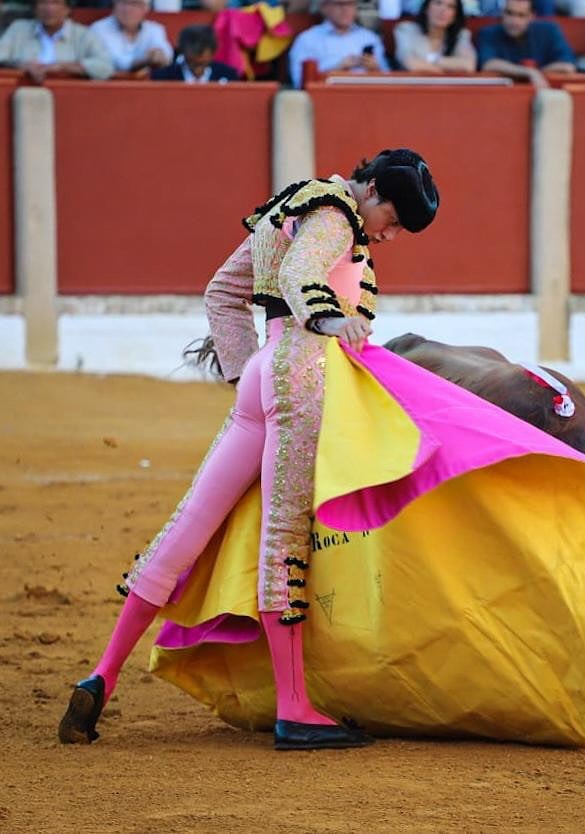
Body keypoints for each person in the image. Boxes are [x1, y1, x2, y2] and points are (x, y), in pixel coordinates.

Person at [58, 148, 440, 751]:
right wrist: (330, 320)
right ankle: (295, 709)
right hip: (305, 372)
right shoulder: (336, 216)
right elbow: (300, 277)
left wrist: (247, 378)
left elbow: (221, 293)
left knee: (186, 529)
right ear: (370, 189)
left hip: (265, 374)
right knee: (284, 536)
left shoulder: (291, 205)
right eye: (392, 218)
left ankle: (101, 675)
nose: (390, 234)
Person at [0, 0, 113, 82]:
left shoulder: (82, 34)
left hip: (69, 97)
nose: (49, 8)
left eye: (55, 2)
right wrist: (22, 65)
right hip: (24, 97)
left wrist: (64, 66)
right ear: (35, 8)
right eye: (43, 2)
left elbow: (106, 67)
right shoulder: (19, 29)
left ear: (67, 9)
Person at [288, 0, 389, 88]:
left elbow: (391, 81)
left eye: (350, 4)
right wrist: (337, 69)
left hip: (368, 96)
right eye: (340, 4)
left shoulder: (370, 38)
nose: (346, 9)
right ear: (324, 7)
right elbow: (300, 82)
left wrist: (375, 69)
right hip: (326, 98)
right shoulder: (307, 39)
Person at [477, 0, 576, 90]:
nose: (514, 20)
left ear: (531, 17)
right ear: (502, 12)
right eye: (509, 13)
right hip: (502, 96)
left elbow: (567, 66)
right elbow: (488, 64)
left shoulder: (550, 30)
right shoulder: (489, 33)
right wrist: (529, 73)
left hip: (542, 94)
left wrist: (536, 73)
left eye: (521, 15)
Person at [90, 0, 172, 74]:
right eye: (123, 3)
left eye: (134, 3)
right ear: (114, 5)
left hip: (148, 86)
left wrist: (158, 54)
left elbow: (166, 55)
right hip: (109, 86)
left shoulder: (155, 29)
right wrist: (146, 61)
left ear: (145, 8)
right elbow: (114, 62)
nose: (127, 9)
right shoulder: (99, 28)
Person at [394, 0, 476, 73]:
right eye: (438, 3)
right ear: (426, 8)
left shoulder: (461, 35)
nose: (443, 10)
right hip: (411, 87)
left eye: (450, 6)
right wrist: (446, 70)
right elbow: (410, 63)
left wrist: (432, 60)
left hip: (448, 88)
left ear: (454, 17)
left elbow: (468, 65)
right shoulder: (406, 30)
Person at [151, 24, 239, 82]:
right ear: (182, 52)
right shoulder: (163, 77)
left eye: (203, 64)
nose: (198, 70)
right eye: (192, 63)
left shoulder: (229, 75)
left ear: (213, 54)